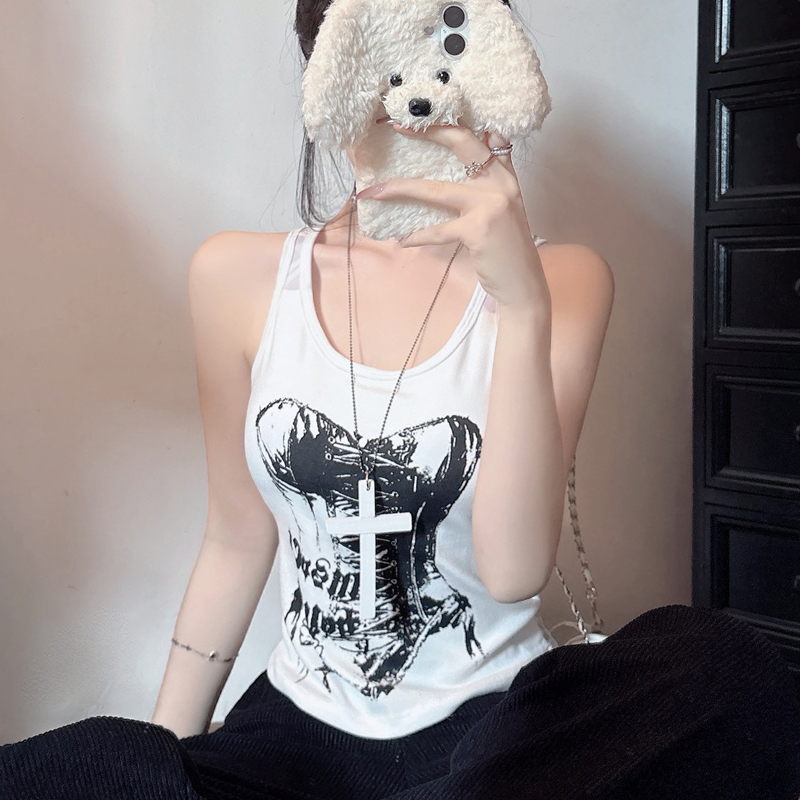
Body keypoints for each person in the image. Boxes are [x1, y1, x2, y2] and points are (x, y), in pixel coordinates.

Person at [2, 2, 799, 799]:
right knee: (62, 770)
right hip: (295, 732)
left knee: (724, 664)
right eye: (377, 51)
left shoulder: (564, 281)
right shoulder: (235, 278)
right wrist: (160, 761)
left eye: (444, 43)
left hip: (495, 733)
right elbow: (236, 538)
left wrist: (521, 305)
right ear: (325, 75)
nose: (414, 94)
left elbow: (514, 571)